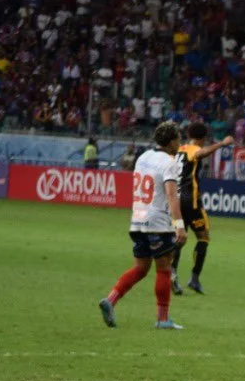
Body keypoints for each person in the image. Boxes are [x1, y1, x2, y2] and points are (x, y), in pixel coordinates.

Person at [98, 121, 187, 330]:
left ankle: (110, 301)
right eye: (178, 139)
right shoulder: (169, 162)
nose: (179, 143)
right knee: (164, 268)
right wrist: (180, 226)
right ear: (172, 141)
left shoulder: (143, 157)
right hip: (158, 223)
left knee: (141, 268)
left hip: (138, 220)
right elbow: (172, 196)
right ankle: (162, 319)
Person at [170, 123, 233, 295]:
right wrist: (222, 144)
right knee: (203, 237)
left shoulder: (177, 150)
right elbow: (200, 153)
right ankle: (194, 279)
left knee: (179, 238)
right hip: (190, 201)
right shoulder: (192, 149)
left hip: (176, 198)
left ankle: (172, 274)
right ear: (203, 138)